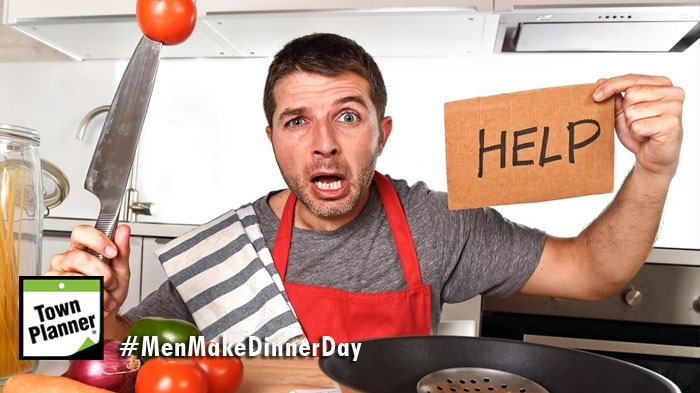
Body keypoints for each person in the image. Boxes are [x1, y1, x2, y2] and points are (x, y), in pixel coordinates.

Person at [45, 33, 685, 342]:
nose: (323, 142)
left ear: (381, 132)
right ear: (271, 138)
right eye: (298, 120)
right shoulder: (219, 248)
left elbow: (595, 273)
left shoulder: (438, 224)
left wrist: (653, 170)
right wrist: (86, 308)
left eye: (347, 116)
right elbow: (131, 357)